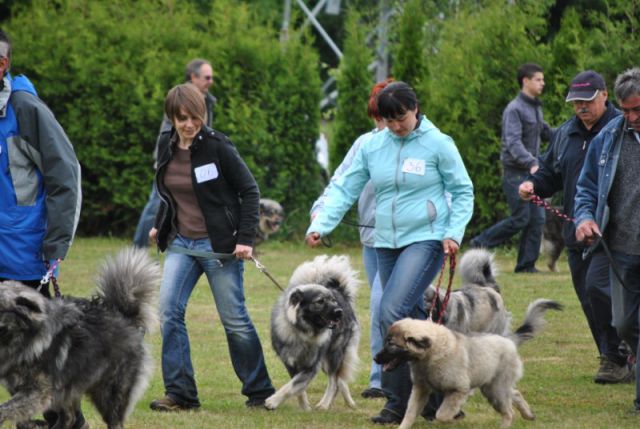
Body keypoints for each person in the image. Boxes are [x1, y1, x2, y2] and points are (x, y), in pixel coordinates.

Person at [306, 81, 474, 424]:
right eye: (389, 119)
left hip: (427, 238)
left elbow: (463, 190)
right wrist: (321, 223)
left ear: (416, 109)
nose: (397, 126)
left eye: (402, 118)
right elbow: (345, 186)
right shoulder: (373, 146)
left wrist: (453, 233)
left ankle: (395, 402)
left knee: (391, 309)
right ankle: (434, 397)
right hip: (385, 241)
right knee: (412, 316)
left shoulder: (439, 144)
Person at [148, 83, 274, 411]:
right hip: (181, 244)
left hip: (219, 247)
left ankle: (260, 391)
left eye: (195, 117)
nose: (189, 124)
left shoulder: (218, 147)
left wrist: (245, 239)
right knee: (169, 313)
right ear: (172, 118)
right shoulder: (165, 145)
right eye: (182, 118)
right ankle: (180, 394)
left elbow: (250, 191)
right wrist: (160, 225)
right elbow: (168, 193)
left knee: (234, 319)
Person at [519, 70, 631, 383]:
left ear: (605, 95)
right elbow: (549, 173)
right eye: (576, 102)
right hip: (578, 231)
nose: (581, 107)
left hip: (617, 231)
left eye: (587, 100)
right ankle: (612, 358)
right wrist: (532, 185)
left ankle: (620, 354)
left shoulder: (621, 128)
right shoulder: (565, 134)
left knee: (602, 290)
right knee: (589, 298)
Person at [0, 30, 85, 428]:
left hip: (24, 253)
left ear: (3, 64)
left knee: (34, 349)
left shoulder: (26, 109)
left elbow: (65, 176)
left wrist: (56, 243)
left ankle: (64, 420)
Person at [310, 78, 394, 400]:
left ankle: (399, 376)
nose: (381, 124)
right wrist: (321, 214)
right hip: (374, 238)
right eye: (376, 118)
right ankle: (380, 378)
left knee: (392, 303)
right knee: (379, 304)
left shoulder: (426, 143)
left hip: (415, 239)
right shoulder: (365, 145)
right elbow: (341, 182)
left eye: (386, 117)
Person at [574, 67, 640, 413]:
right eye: (625, 110)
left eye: (637, 110)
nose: (630, 117)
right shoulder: (609, 138)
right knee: (626, 324)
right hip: (623, 251)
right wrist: (584, 218)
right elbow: (586, 188)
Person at [470, 63, 553, 273]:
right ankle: (479, 244)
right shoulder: (514, 109)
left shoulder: (535, 106)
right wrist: (532, 163)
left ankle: (526, 266)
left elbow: (546, 132)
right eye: (538, 79)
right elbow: (513, 143)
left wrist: (568, 135)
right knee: (520, 218)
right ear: (525, 81)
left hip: (531, 172)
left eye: (542, 79)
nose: (542, 83)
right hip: (516, 173)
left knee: (537, 219)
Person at [133, 59, 217, 247]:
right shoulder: (181, 98)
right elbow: (173, 132)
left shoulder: (206, 99)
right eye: (207, 77)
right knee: (156, 205)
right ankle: (138, 248)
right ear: (193, 77)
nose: (211, 81)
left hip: (194, 161)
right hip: (171, 160)